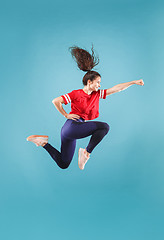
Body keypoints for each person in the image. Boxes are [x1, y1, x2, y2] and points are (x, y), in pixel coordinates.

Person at [26, 45, 144, 170]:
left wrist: (133, 82)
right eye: (98, 82)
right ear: (89, 82)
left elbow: (116, 89)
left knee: (63, 163)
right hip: (72, 127)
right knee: (104, 127)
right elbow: (56, 101)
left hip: (69, 132)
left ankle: (43, 142)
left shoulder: (96, 95)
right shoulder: (76, 93)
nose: (99, 85)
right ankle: (86, 152)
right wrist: (66, 114)